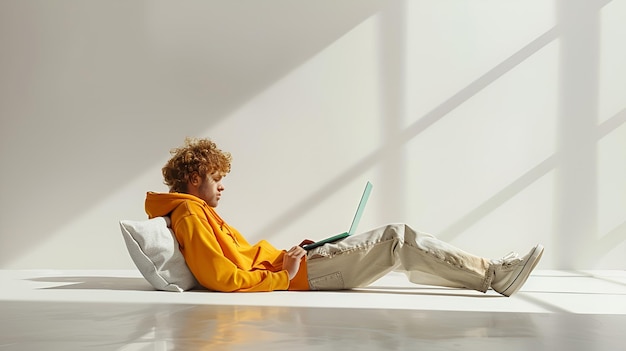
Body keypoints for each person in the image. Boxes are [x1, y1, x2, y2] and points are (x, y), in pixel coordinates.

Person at [145, 137, 544, 296]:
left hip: (299, 267)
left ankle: (487, 274)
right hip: (300, 276)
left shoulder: (193, 212)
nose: (222, 186)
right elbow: (219, 278)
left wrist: (288, 257)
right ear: (194, 179)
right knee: (396, 238)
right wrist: (282, 274)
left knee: (396, 245)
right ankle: (493, 275)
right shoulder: (190, 216)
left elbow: (237, 261)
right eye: (217, 179)